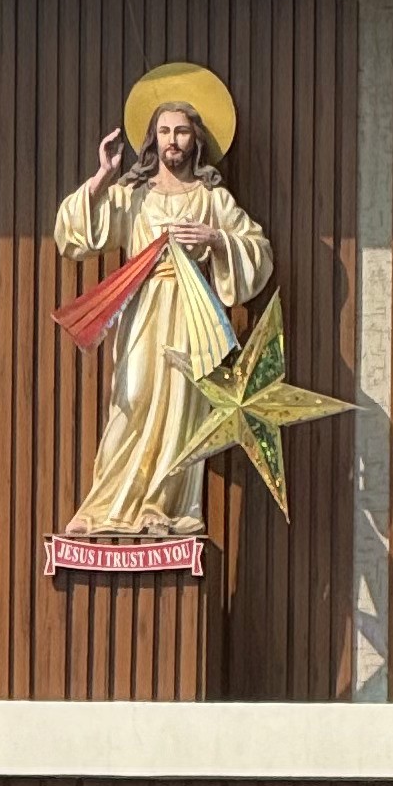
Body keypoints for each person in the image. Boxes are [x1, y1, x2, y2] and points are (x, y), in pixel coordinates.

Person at [51, 67, 273, 541]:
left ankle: (161, 507)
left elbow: (258, 250)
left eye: (182, 131)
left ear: (196, 140)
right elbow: (74, 238)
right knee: (132, 397)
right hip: (143, 309)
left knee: (180, 408)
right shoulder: (133, 196)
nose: (173, 140)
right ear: (153, 138)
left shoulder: (212, 199)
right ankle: (105, 505)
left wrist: (215, 239)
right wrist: (102, 177)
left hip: (192, 313)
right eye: (165, 131)